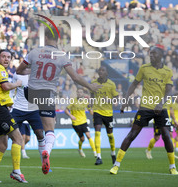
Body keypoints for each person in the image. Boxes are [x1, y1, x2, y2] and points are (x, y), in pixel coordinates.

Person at [16, 26, 101, 174]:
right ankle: (46, 153)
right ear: (58, 39)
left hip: (30, 94)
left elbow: (19, 71)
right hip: (46, 94)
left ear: (46, 38)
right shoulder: (62, 56)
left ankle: (23, 159)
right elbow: (75, 77)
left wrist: (33, 71)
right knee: (49, 129)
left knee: (38, 131)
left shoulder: (35, 52)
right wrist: (90, 86)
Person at [110, 47, 178, 175]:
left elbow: (169, 91)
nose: (151, 56)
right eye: (150, 54)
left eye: (154, 54)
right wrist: (125, 100)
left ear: (160, 55)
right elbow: (134, 84)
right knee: (132, 134)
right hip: (145, 107)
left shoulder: (167, 71)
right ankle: (116, 165)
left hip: (160, 108)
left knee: (166, 136)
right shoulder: (144, 68)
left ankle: (172, 166)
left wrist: (161, 103)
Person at [0, 49, 27, 183]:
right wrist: (17, 84)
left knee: (2, 145)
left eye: (9, 57)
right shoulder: (0, 69)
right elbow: (6, 86)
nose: (6, 59)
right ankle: (16, 171)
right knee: (18, 138)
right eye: (3, 56)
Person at [10, 73, 45, 161]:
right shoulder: (17, 74)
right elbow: (11, 91)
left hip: (33, 109)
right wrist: (9, 103)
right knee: (6, 134)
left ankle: (44, 162)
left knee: (40, 135)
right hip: (18, 109)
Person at [90, 66, 119, 165]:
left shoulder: (111, 84)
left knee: (110, 135)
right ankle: (99, 157)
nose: (100, 72)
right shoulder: (93, 83)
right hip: (97, 111)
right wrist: (90, 106)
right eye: (99, 70)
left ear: (106, 73)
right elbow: (92, 95)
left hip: (108, 113)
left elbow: (116, 97)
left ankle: (113, 154)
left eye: (103, 70)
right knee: (97, 132)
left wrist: (109, 100)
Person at [65, 88, 96, 158]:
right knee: (82, 139)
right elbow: (66, 110)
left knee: (88, 136)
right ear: (76, 93)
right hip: (76, 123)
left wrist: (95, 114)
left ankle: (95, 152)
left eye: (81, 92)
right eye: (78, 92)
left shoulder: (85, 101)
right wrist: (71, 116)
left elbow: (90, 111)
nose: (79, 93)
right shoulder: (73, 101)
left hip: (84, 121)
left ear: (83, 93)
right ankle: (80, 149)